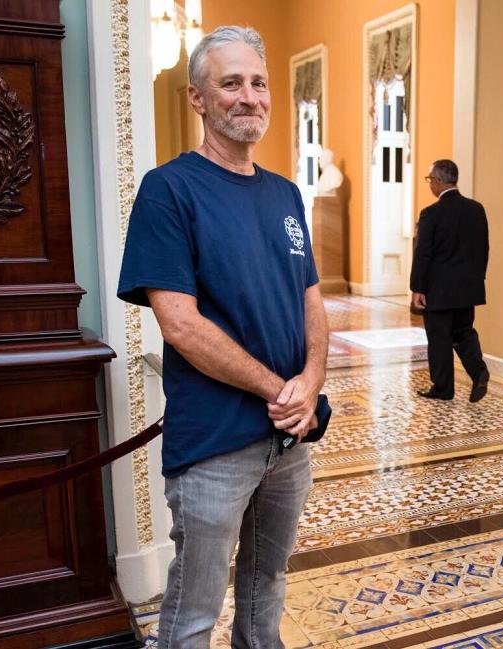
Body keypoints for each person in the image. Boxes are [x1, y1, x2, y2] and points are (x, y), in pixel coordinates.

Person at [117, 26, 330, 648]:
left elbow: (312, 302)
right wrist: (281, 390)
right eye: (230, 83)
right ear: (198, 99)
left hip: (288, 443)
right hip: (214, 443)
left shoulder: (286, 193)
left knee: (267, 593)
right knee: (193, 613)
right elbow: (180, 324)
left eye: (258, 83)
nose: (249, 97)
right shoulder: (169, 189)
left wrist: (309, 386)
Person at [410, 159, 490, 403]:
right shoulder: (476, 209)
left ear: (438, 181)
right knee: (464, 332)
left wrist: (417, 288)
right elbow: (484, 249)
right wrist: (477, 280)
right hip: (468, 289)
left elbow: (423, 253)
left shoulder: (431, 213)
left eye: (429, 180)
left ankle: (443, 388)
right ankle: (479, 371)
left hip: (438, 290)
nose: (429, 185)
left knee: (439, 338)